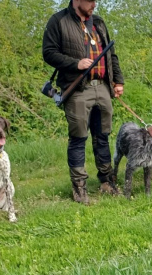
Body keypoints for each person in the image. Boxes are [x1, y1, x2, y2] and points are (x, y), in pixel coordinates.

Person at [43, 0, 124, 205]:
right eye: (90, 1)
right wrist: (75, 63)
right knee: (79, 138)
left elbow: (110, 54)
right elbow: (49, 53)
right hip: (77, 88)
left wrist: (118, 81)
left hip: (103, 87)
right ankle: (79, 187)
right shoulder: (58, 21)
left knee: (103, 136)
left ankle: (107, 181)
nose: (94, 4)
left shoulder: (98, 22)